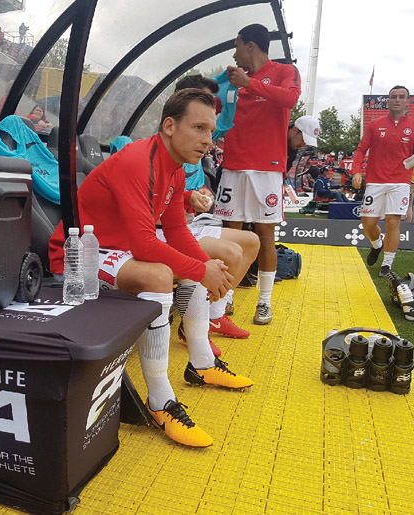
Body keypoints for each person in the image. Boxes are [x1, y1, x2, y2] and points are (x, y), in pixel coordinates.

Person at [48, 90, 252, 448]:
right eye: (199, 128)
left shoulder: (172, 168)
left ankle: (201, 364)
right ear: (169, 126)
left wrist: (206, 266)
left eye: (211, 131)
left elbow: (175, 232)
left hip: (118, 251)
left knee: (197, 264)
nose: (207, 140)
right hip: (79, 256)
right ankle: (160, 401)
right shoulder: (137, 160)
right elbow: (145, 245)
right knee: (160, 273)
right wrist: (202, 269)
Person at [212, 24, 301, 325]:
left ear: (250, 46)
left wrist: (249, 83)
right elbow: (209, 101)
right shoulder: (231, 79)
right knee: (230, 233)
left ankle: (264, 302)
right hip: (234, 166)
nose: (234, 53)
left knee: (265, 235)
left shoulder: (284, 72)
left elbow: (289, 99)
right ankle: (225, 298)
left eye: (237, 46)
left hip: (267, 168)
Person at [171, 74, 260, 338]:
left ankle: (214, 315)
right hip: (163, 231)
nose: (208, 139)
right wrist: (186, 199)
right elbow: (158, 211)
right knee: (231, 253)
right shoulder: (163, 148)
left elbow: (180, 192)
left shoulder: (189, 150)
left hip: (185, 222)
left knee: (252, 241)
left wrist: (197, 196)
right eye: (200, 127)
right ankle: (194, 325)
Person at [351, 85, 414, 276]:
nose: (397, 100)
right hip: (375, 181)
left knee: (393, 223)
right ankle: (377, 245)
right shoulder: (375, 124)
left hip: (400, 182)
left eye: (402, 97)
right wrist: (356, 171)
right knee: (367, 223)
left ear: (407, 101)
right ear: (388, 100)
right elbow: (361, 150)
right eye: (393, 97)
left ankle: (387, 264)